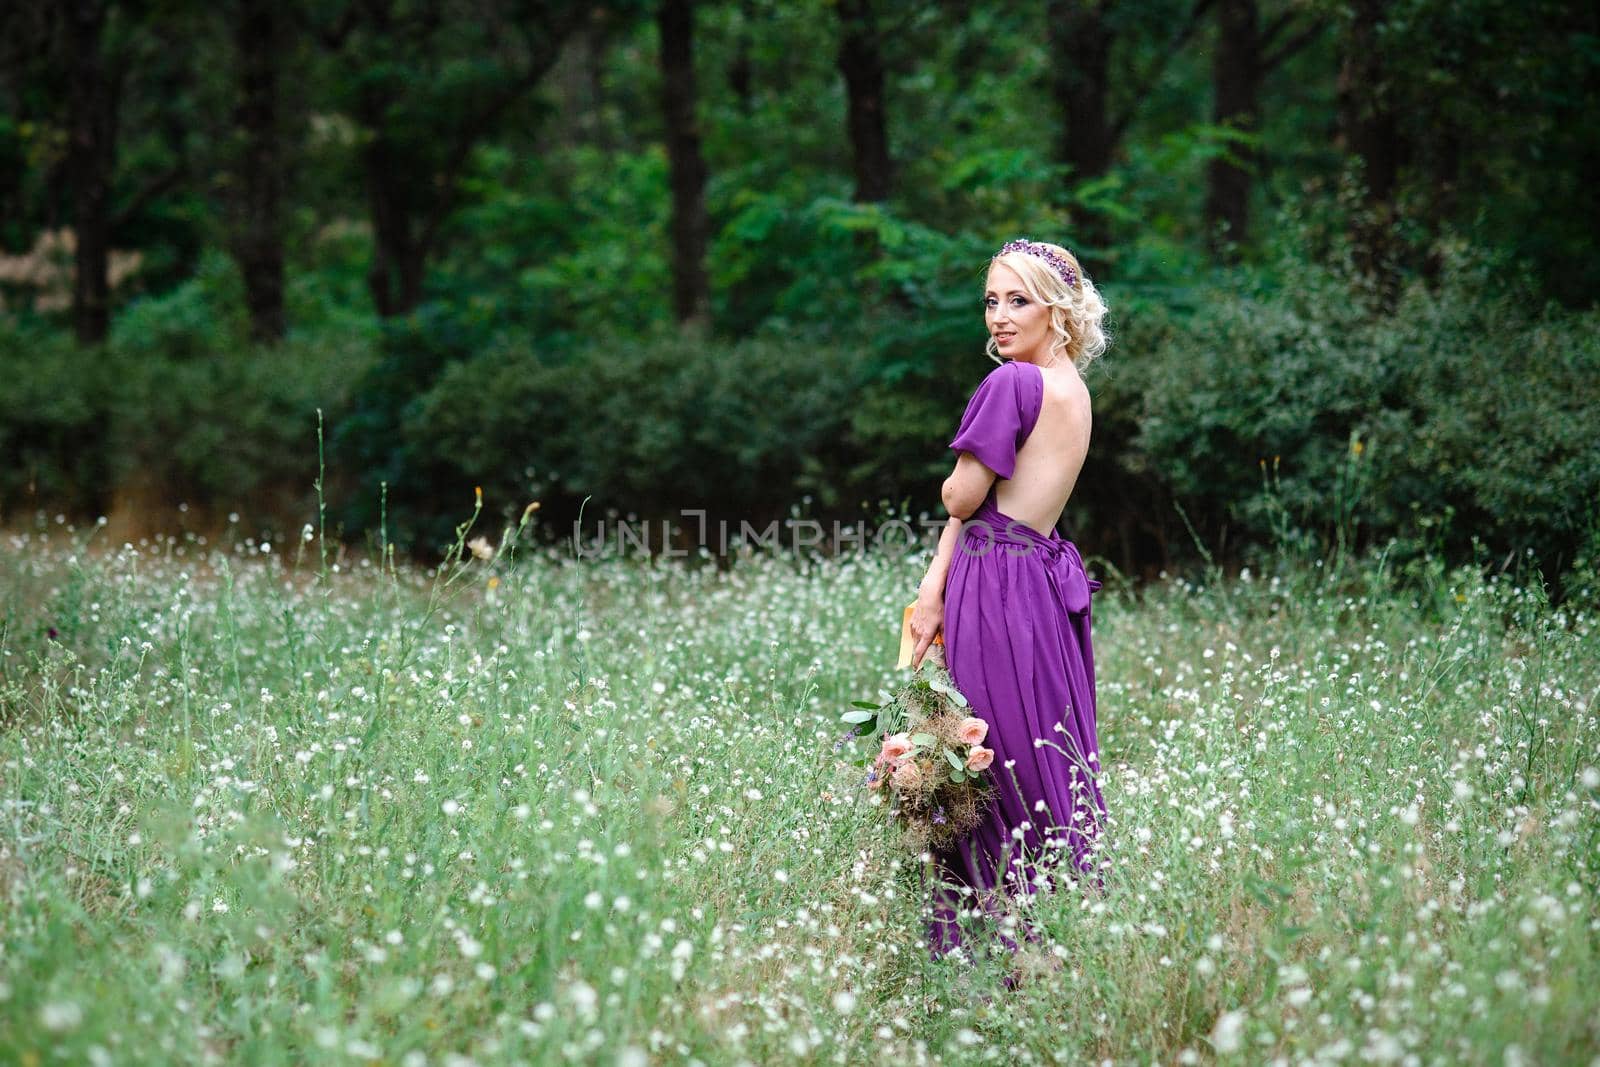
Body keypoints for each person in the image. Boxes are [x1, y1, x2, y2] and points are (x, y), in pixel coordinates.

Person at [908, 238, 1110, 973]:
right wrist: (932, 586)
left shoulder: (1011, 387)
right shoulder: (1073, 391)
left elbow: (962, 498)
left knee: (983, 752)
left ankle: (989, 943)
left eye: (1017, 300)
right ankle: (1056, 925)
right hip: (1040, 577)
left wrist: (953, 502)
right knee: (1037, 743)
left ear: (1056, 309)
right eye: (991, 300)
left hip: (996, 578)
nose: (998, 316)